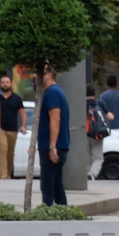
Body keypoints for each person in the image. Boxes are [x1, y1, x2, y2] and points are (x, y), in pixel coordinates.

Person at [36, 65, 70, 207]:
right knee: (56, 185)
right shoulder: (56, 91)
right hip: (58, 145)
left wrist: (52, 146)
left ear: (48, 74)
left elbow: (55, 119)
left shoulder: (52, 93)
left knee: (48, 185)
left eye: (38, 73)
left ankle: (48, 215)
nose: (35, 77)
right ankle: (63, 214)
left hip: (52, 146)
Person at [0, 71, 23, 182]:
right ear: (0, 84)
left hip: (13, 129)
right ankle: (3, 175)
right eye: (3, 82)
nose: (5, 84)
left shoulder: (17, 98)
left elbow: (23, 113)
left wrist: (23, 126)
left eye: (7, 82)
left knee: (10, 152)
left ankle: (8, 174)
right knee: (3, 149)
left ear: (10, 84)